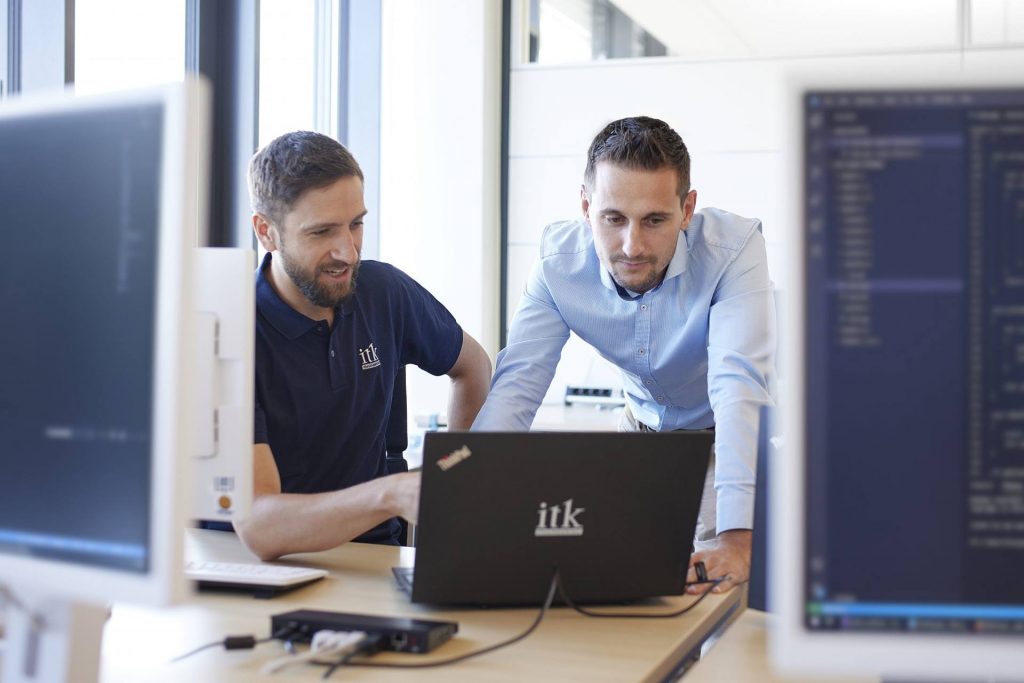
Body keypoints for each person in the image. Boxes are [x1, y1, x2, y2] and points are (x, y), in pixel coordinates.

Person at [473, 116, 775, 594]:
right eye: (613, 219)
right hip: (641, 435)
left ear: (687, 208)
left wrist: (738, 542)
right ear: (586, 206)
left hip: (732, 440)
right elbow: (515, 389)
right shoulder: (558, 266)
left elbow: (737, 388)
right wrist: (467, 506)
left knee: (719, 600)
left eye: (655, 220)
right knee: (628, 599)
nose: (632, 246)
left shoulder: (733, 251)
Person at [234, 131, 492, 561]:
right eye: (321, 232)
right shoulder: (230, 333)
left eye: (356, 224)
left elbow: (473, 368)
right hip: (262, 568)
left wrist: (453, 484)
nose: (348, 251)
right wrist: (390, 494)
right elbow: (260, 525)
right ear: (267, 232)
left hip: (372, 558)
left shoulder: (384, 291)